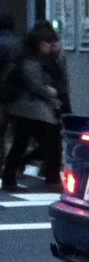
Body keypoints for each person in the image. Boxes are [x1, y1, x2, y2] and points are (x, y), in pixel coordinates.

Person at [1, 25, 62, 192]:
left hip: (28, 110)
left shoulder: (39, 58)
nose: (52, 46)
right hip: (31, 109)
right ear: (39, 43)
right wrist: (50, 92)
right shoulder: (30, 61)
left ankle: (10, 176)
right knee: (48, 144)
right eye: (49, 43)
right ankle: (15, 171)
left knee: (21, 143)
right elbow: (37, 85)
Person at [0, 14, 23, 169]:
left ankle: (2, 161)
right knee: (18, 132)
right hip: (20, 92)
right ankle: (17, 164)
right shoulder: (21, 41)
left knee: (1, 131)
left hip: (2, 92)